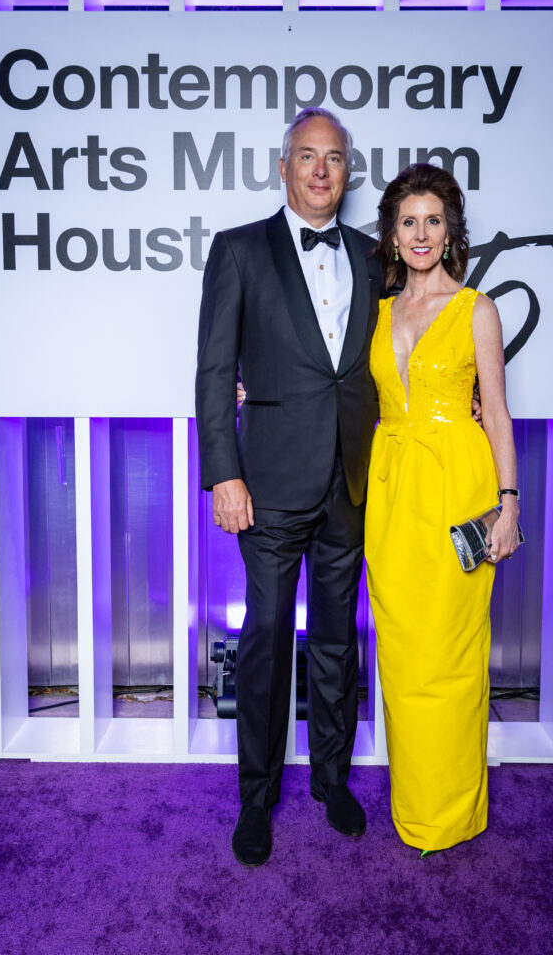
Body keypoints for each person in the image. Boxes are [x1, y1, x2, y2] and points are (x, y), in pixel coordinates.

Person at [195, 108, 384, 867]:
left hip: (351, 480)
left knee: (338, 641)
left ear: (346, 172)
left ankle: (332, 781)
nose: (319, 170)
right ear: (283, 167)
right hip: (266, 481)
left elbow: (394, 357)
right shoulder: (239, 251)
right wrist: (222, 472)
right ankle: (256, 796)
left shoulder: (377, 257)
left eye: (333, 159)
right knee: (266, 642)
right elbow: (213, 372)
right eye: (306, 156)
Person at [364, 163, 521, 856]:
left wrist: (507, 505)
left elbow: (498, 414)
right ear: (392, 237)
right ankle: (415, 805)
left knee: (451, 655)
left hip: (456, 484)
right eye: (408, 222)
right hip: (390, 488)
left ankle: (451, 813)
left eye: (433, 221)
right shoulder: (375, 311)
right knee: (402, 655)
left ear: (449, 231)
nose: (421, 233)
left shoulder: (475, 308)